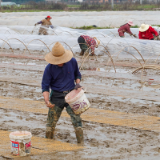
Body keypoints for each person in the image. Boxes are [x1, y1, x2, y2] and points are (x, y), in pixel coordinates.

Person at [41, 42, 84, 144]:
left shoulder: (72, 62)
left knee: (76, 120)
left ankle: (81, 143)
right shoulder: (49, 68)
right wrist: (47, 100)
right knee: (50, 123)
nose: (59, 63)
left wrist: (77, 84)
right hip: (56, 96)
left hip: (71, 95)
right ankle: (48, 143)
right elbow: (45, 86)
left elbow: (77, 75)